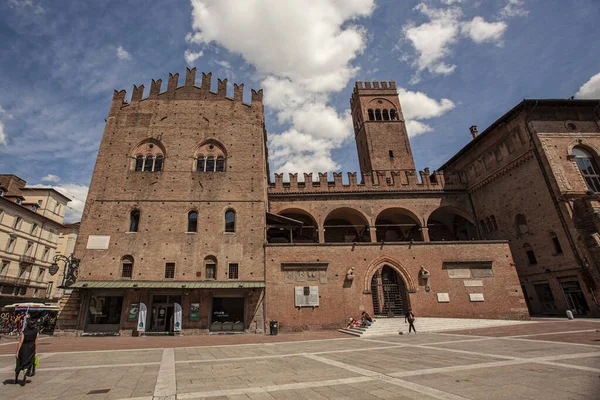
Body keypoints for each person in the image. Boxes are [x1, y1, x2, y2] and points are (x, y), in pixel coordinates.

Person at [14, 320, 38, 385]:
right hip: (31, 349)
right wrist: (36, 351)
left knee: (19, 363)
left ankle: (16, 379)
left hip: (24, 348)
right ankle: (24, 377)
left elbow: (21, 342)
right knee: (27, 363)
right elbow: (36, 342)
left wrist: (17, 351)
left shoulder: (24, 332)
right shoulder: (36, 331)